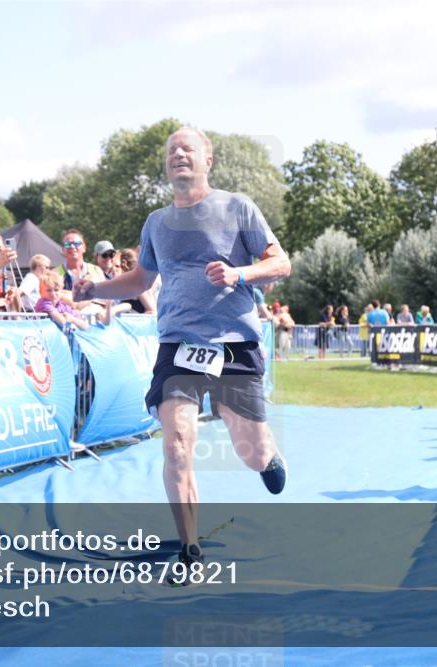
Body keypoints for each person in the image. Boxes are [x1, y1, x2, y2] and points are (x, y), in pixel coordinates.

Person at [71, 126, 291, 573]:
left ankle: (267, 457)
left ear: (207, 161)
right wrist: (95, 287)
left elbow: (280, 263)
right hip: (178, 345)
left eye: (188, 148)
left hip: (233, 344)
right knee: (176, 442)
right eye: (172, 150)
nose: (179, 155)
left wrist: (239, 275)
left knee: (250, 451)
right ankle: (190, 548)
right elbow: (141, 281)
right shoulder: (157, 222)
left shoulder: (237, 207)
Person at [58, 229, 106, 312]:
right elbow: (53, 296)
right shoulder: (56, 272)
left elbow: (103, 298)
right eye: (68, 244)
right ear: (63, 249)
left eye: (76, 244)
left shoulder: (96, 271)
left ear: (84, 248)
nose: (72, 247)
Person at [117, 248, 157, 314]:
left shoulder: (136, 284)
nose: (113, 269)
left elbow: (153, 311)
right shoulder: (124, 284)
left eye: (117, 266)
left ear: (124, 266)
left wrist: (138, 320)